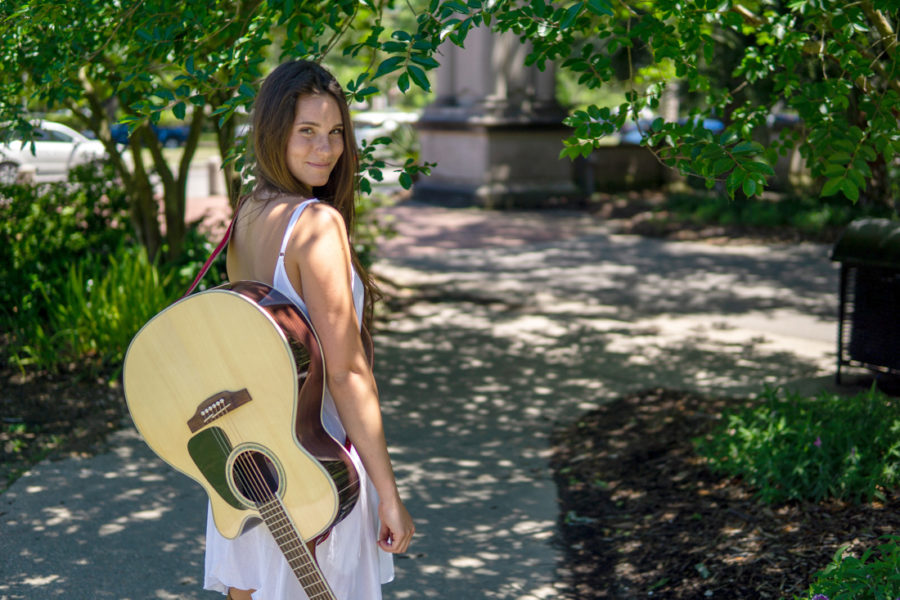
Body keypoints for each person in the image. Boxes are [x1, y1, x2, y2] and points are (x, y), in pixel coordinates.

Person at [203, 60, 415, 600]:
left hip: (252, 467)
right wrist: (389, 493)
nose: (327, 148)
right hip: (316, 472)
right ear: (276, 132)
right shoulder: (316, 225)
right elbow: (345, 373)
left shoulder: (249, 210)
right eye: (308, 132)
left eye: (336, 132)